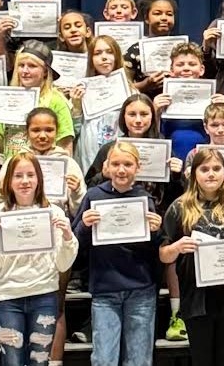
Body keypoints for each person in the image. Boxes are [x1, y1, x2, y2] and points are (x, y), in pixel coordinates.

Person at [159, 149, 224, 366]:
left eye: (216, 169)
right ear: (193, 173)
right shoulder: (179, 208)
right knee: (202, 361)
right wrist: (177, 247)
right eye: (204, 169)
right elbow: (163, 255)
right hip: (196, 299)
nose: (211, 174)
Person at [0, 152, 79, 366]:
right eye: (18, 175)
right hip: (8, 298)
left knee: (40, 360)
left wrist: (68, 238)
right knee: (12, 361)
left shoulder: (55, 213)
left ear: (39, 179)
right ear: (9, 181)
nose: (25, 181)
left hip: (44, 296)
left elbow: (63, 264)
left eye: (30, 175)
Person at [74, 141, 164, 366]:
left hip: (141, 290)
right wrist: (84, 226)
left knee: (139, 360)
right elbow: (74, 245)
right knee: (104, 359)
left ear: (138, 168)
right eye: (116, 164)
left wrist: (156, 232)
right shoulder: (93, 196)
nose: (121, 170)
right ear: (106, 167)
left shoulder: (146, 199)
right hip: (105, 290)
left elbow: (157, 249)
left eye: (127, 164)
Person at [0, 40, 76, 160]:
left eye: (32, 66)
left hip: (42, 170)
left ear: (45, 71)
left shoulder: (56, 101)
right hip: (13, 171)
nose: (25, 71)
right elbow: (1, 146)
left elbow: (66, 147)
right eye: (21, 65)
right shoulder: (10, 99)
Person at [72, 34, 134, 174]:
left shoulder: (130, 92)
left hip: (119, 151)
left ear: (117, 56)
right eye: (98, 53)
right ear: (91, 60)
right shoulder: (82, 91)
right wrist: (76, 106)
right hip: (89, 150)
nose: (104, 57)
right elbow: (74, 131)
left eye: (109, 52)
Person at [155, 42, 224, 161]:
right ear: (171, 70)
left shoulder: (212, 99)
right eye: (180, 64)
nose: (186, 68)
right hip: (171, 160)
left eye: (192, 64)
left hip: (205, 161)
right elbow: (153, 136)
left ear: (201, 69)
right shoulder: (161, 100)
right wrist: (155, 111)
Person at [125, 0, 182, 96]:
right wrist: (145, 85)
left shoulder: (183, 48)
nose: (164, 18)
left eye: (169, 14)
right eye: (157, 13)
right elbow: (123, 88)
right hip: (145, 108)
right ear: (147, 18)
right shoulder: (135, 51)